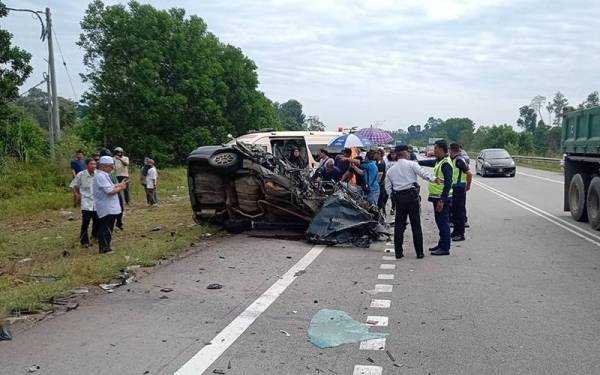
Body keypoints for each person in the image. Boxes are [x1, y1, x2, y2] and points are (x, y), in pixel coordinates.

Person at [386, 144, 440, 259]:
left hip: (399, 198)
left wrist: (393, 197)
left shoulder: (391, 170)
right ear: (405, 153)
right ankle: (419, 253)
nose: (410, 154)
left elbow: (388, 187)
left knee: (399, 226)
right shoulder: (412, 164)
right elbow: (424, 174)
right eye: (408, 152)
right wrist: (435, 179)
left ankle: (398, 253)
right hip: (412, 197)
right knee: (416, 225)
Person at [418, 140, 453, 256]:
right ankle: (441, 244)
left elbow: (448, 183)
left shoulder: (446, 163)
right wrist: (417, 162)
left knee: (443, 223)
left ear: (442, 149)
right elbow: (431, 162)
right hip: (436, 196)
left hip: (441, 198)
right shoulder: (440, 161)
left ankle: (445, 248)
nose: (434, 151)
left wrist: (442, 200)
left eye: (436, 149)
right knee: (440, 222)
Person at [93, 156, 127, 254]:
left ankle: (107, 247)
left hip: (110, 207)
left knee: (109, 228)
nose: (112, 168)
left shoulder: (104, 175)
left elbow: (110, 186)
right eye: (110, 166)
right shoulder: (100, 176)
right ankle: (103, 248)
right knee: (105, 228)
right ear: (103, 166)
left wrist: (119, 184)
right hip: (105, 206)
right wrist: (121, 188)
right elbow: (110, 191)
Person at [70, 158, 98, 247]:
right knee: (85, 222)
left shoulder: (98, 174)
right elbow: (74, 185)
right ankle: (84, 241)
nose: (93, 166)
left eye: (94, 164)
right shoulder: (81, 175)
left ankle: (95, 236)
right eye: (91, 164)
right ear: (87, 165)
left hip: (97, 202)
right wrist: (77, 195)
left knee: (97, 221)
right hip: (86, 201)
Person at [449, 143, 472, 242]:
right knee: (455, 211)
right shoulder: (455, 159)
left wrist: (468, 186)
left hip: (459, 188)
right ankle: (456, 231)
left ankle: (460, 234)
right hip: (456, 188)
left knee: (459, 212)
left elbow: (469, 173)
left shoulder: (459, 160)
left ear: (451, 150)